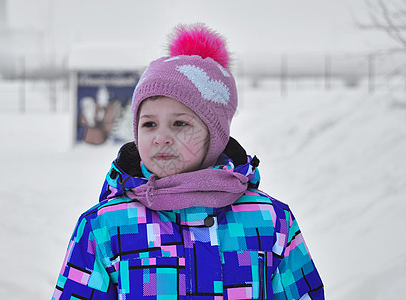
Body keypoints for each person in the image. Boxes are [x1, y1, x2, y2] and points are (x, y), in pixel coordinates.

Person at [52, 23, 324, 299]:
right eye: (149, 125)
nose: (161, 137)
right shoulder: (105, 226)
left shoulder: (269, 221)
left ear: (214, 135)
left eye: (180, 123)